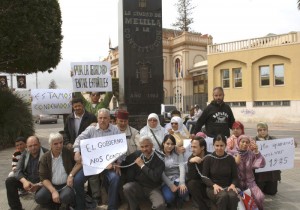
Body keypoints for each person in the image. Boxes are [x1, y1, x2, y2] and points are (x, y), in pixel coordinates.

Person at [73, 108, 121, 210]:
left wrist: (118, 162)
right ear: (97, 119)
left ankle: (112, 208)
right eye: (100, 118)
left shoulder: (115, 130)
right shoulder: (91, 129)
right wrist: (77, 151)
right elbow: (78, 139)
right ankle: (81, 207)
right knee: (77, 180)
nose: (102, 120)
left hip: (108, 165)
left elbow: (121, 149)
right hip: (93, 165)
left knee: (115, 178)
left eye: (105, 118)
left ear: (109, 119)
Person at [35, 133, 82, 209]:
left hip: (66, 185)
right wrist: (53, 191)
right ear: (50, 145)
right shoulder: (45, 157)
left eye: (61, 142)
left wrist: (71, 175)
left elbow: (79, 163)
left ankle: (67, 206)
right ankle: (52, 206)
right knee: (40, 197)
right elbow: (43, 178)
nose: (59, 146)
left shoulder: (67, 151)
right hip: (51, 185)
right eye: (55, 144)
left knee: (66, 196)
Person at [123, 136, 166, 210]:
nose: (144, 149)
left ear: (152, 145)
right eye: (142, 147)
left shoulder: (159, 158)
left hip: (153, 188)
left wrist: (142, 165)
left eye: (147, 146)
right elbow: (124, 163)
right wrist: (115, 165)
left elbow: (155, 177)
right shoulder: (137, 154)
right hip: (139, 187)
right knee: (127, 187)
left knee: (160, 205)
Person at [5, 136, 48, 210]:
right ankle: (16, 208)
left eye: (35, 145)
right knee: (10, 181)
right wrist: (25, 182)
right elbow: (18, 170)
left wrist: (38, 185)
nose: (33, 148)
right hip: (28, 182)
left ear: (39, 144)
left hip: (42, 183)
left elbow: (50, 175)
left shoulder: (46, 153)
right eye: (30, 146)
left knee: (40, 198)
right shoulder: (25, 153)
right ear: (27, 146)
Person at [202, 134, 239, 210]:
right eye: (217, 145)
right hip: (212, 187)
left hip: (228, 186)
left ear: (225, 145)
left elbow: (235, 176)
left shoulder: (230, 159)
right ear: (213, 145)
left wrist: (233, 185)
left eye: (221, 145)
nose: (219, 148)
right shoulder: (208, 159)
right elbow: (204, 177)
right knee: (223, 196)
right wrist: (213, 185)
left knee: (233, 196)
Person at [231, 135, 266, 210]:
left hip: (250, 182)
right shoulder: (232, 153)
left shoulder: (251, 154)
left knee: (259, 197)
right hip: (236, 183)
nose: (244, 144)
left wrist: (256, 152)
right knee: (237, 200)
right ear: (238, 142)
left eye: (247, 142)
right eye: (242, 142)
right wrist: (235, 161)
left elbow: (261, 164)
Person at [161, 135, 188, 208]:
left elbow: (182, 168)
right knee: (169, 198)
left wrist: (182, 183)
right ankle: (171, 200)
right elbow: (161, 173)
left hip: (178, 178)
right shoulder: (159, 155)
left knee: (183, 192)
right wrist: (170, 185)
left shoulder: (178, 153)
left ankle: (180, 199)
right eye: (168, 143)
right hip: (166, 181)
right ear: (163, 143)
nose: (170, 146)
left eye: (172, 144)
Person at [254, 122, 281, 196]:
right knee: (259, 191)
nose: (262, 131)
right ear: (257, 131)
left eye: (264, 129)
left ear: (267, 130)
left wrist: (292, 143)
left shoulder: (273, 139)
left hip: (271, 172)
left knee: (272, 192)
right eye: (260, 130)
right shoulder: (253, 140)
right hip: (260, 173)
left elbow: (283, 147)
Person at [187, 136, 210, 210]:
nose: (192, 150)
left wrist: (202, 162)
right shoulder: (191, 158)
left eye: (195, 147)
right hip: (200, 186)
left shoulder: (210, 156)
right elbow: (191, 177)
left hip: (212, 184)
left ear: (202, 147)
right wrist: (191, 162)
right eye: (191, 147)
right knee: (191, 183)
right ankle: (203, 207)